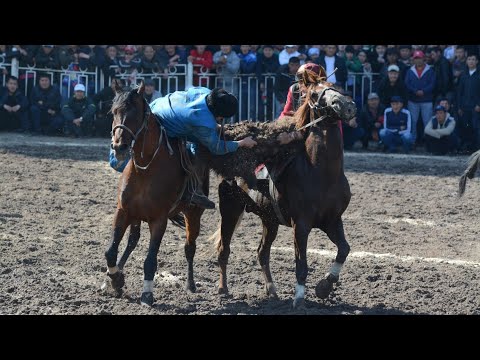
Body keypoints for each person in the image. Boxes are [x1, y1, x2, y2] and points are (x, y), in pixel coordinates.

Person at [110, 86, 257, 209]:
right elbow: (216, 147)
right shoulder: (203, 123)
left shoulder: (204, 91)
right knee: (200, 149)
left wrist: (213, 126)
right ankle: (195, 190)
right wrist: (241, 143)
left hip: (157, 105)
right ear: (218, 114)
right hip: (164, 122)